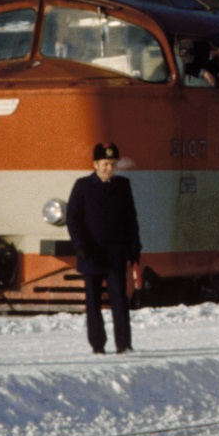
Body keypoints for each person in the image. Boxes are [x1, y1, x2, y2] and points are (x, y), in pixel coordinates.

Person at [67, 142, 142, 354]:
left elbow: (131, 220)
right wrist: (80, 246)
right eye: (105, 164)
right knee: (93, 303)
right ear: (95, 164)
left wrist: (134, 250)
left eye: (112, 164)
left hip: (115, 255)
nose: (109, 168)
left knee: (120, 302)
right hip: (91, 254)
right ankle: (97, 345)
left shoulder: (122, 186)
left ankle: (123, 344)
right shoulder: (82, 186)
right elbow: (73, 219)